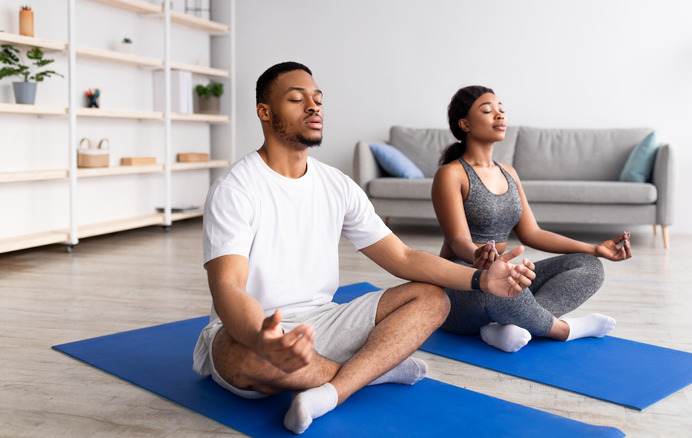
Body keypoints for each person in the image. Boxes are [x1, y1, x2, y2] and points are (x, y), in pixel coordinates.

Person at [192, 63, 536, 434]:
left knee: (434, 298)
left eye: (318, 100)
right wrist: (263, 338)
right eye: (296, 99)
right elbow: (228, 287)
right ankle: (372, 371)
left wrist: (482, 279)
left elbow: (402, 257)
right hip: (254, 328)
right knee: (243, 357)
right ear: (264, 111)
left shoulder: (337, 185)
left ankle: (331, 391)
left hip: (324, 321)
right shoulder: (235, 188)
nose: (313, 107)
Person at [431, 85, 632, 353]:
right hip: (460, 288)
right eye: (488, 111)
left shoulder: (509, 173)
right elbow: (457, 241)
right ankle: (564, 330)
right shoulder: (451, 174)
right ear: (465, 123)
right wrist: (478, 254)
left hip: (499, 279)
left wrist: (593, 248)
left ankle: (506, 326)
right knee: (501, 289)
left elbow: (532, 233)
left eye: (502, 111)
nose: (500, 116)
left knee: (589, 266)